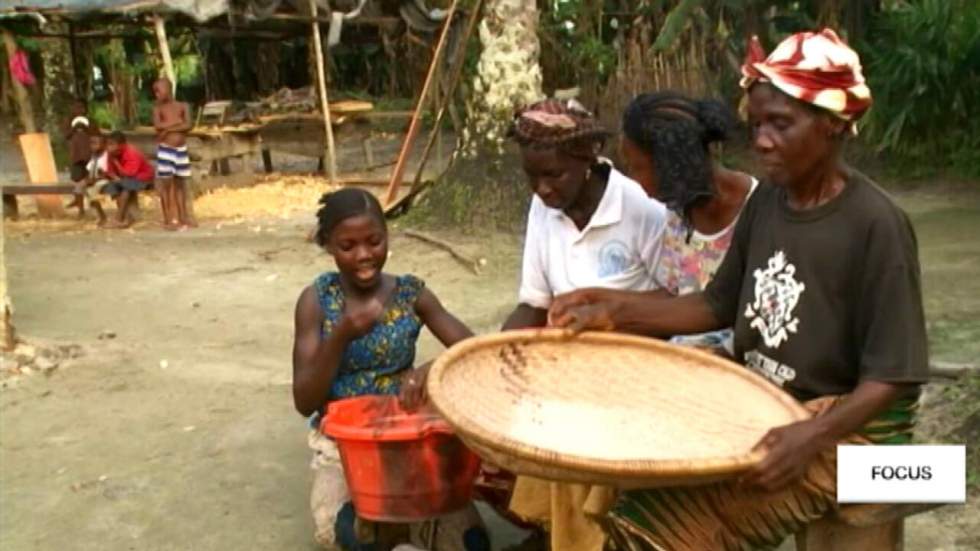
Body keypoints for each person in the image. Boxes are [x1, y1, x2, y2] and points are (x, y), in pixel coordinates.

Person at [549, 29, 929, 550]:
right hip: (768, 404)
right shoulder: (768, 203)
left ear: (835, 125)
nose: (763, 140)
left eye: (781, 124)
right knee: (636, 489)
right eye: (757, 125)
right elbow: (716, 303)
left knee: (667, 533)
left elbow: (893, 377)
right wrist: (613, 309)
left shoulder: (876, 225)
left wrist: (808, 437)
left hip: (853, 435)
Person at [501, 99, 669, 551]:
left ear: (586, 160)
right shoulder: (544, 209)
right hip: (569, 362)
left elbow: (682, 302)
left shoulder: (639, 208)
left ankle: (587, 538)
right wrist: (489, 360)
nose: (542, 189)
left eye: (553, 175)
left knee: (581, 423)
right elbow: (533, 306)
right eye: (531, 177)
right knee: (530, 409)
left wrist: (612, 314)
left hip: (639, 363)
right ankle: (558, 533)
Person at [292, 188, 487, 551]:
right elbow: (304, 400)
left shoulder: (411, 294)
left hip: (409, 437)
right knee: (341, 532)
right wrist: (342, 334)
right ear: (328, 246)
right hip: (343, 447)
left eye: (374, 241)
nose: (364, 255)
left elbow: (473, 354)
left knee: (469, 542)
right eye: (348, 246)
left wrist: (430, 369)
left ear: (387, 235)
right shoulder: (316, 301)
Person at [619, 91, 758, 355]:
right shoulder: (678, 215)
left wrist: (617, 311)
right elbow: (678, 296)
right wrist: (597, 300)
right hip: (685, 359)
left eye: (638, 168)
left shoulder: (757, 211)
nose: (634, 180)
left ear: (670, 165)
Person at [152, 78, 195, 230]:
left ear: (168, 89)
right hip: (166, 149)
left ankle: (183, 216)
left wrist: (168, 129)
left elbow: (189, 125)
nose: (157, 94)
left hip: (181, 150)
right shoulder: (158, 109)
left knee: (180, 183)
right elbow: (158, 125)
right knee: (166, 183)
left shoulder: (183, 106)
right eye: (155, 92)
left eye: (159, 90)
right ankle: (168, 218)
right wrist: (178, 124)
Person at [103, 131, 154, 229]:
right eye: (108, 144)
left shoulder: (131, 153)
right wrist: (115, 178)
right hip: (124, 179)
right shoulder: (111, 153)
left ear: (122, 145)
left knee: (127, 186)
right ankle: (127, 217)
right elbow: (109, 171)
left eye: (112, 144)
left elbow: (130, 174)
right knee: (112, 187)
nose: (109, 147)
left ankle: (118, 219)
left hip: (142, 178)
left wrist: (116, 163)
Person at [74, 132, 111, 226]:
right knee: (78, 187)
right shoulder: (94, 156)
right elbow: (90, 170)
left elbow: (107, 173)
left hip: (105, 179)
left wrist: (94, 180)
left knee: (92, 191)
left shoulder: (106, 156)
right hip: (93, 178)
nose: (93, 146)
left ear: (104, 144)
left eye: (96, 143)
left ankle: (102, 216)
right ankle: (81, 210)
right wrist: (87, 179)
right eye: (91, 143)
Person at [65, 101, 92, 207]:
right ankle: (79, 205)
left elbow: (96, 135)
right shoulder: (68, 122)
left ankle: (89, 203)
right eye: (76, 108)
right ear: (72, 109)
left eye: (82, 108)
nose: (79, 110)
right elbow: (66, 135)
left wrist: (86, 128)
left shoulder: (91, 121)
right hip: (76, 156)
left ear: (85, 109)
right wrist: (74, 128)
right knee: (76, 180)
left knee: (88, 181)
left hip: (88, 156)